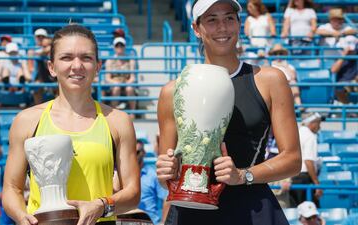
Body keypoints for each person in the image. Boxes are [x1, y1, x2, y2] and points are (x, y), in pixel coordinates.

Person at [156, 1, 301, 225]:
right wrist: (167, 170)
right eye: (212, 20)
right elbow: (169, 175)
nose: (222, 27)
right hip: (191, 212)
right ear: (196, 28)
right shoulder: (172, 91)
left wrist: (243, 176)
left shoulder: (270, 80)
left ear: (239, 24)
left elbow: (292, 159)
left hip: (252, 210)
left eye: (229, 18)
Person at [2, 24, 140, 225]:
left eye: (86, 57)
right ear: (51, 67)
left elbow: (133, 193)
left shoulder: (118, 121)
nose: (77, 65)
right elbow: (11, 188)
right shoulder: (27, 121)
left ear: (98, 66)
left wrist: (102, 206)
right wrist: (22, 217)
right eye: (66, 57)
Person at [291, 113, 324, 207]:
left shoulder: (297, 133)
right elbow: (308, 161)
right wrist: (317, 183)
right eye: (318, 123)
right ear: (312, 123)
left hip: (293, 176)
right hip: (304, 177)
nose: (319, 127)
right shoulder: (310, 136)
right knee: (309, 210)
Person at [137, 140, 169, 225]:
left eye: (137, 152)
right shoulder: (122, 175)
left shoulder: (153, 175)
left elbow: (167, 198)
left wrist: (163, 223)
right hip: (128, 220)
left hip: (150, 222)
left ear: (143, 153)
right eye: (132, 152)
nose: (135, 155)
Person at [104, 37, 137, 114]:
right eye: (117, 45)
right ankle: (114, 112)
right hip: (115, 82)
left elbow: (132, 76)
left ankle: (133, 113)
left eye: (121, 45)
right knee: (116, 88)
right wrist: (115, 82)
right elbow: (107, 78)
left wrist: (128, 82)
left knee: (129, 89)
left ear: (124, 46)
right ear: (114, 47)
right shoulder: (110, 61)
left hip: (126, 81)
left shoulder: (130, 60)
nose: (119, 47)